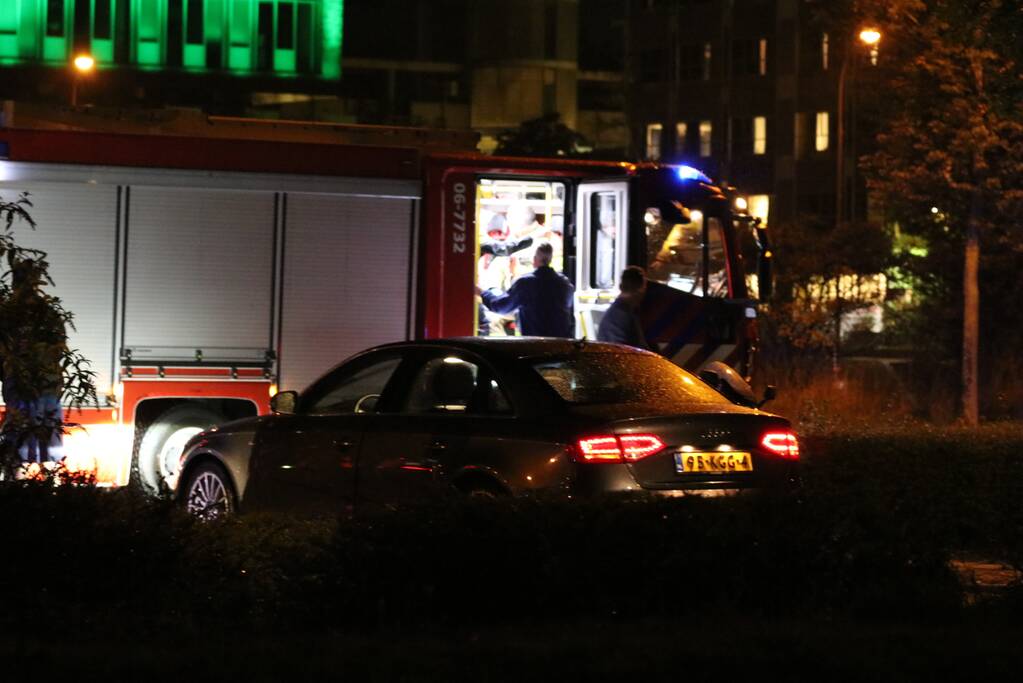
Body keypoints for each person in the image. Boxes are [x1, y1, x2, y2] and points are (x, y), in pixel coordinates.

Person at [478, 242, 574, 337]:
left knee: (494, 323)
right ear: (550, 259)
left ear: (534, 259)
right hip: (561, 342)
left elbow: (500, 306)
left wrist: (481, 292)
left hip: (535, 342)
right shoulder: (564, 283)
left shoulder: (526, 283)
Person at [597, 266, 650, 349]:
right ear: (640, 289)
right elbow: (618, 350)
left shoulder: (624, 312)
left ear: (621, 286)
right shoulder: (619, 316)